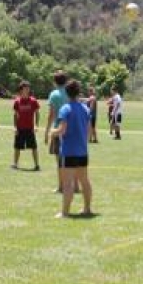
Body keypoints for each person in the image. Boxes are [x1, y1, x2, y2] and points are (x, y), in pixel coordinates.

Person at [51, 80, 94, 218]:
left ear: (67, 93)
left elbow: (62, 130)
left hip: (68, 152)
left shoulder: (65, 109)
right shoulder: (85, 109)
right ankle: (87, 209)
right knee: (84, 181)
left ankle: (65, 213)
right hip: (82, 151)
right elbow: (88, 132)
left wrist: (53, 132)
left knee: (68, 183)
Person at [45, 71, 70, 192]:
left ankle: (61, 186)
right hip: (71, 130)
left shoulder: (53, 94)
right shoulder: (70, 92)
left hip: (58, 130)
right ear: (66, 81)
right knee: (72, 160)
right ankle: (74, 186)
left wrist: (47, 131)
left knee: (60, 161)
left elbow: (51, 115)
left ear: (55, 82)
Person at [12, 80, 41, 171]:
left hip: (30, 128)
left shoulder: (33, 101)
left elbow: (37, 113)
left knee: (34, 147)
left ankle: (37, 165)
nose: (27, 90)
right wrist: (15, 127)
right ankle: (15, 164)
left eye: (28, 88)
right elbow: (15, 115)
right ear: (21, 90)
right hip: (20, 128)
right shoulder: (17, 101)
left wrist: (36, 125)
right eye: (25, 88)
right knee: (17, 147)